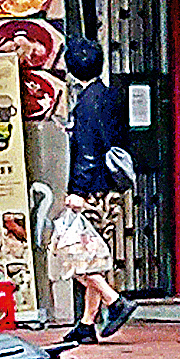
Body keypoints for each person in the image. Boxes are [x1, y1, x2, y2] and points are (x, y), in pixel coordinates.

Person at [58, 39, 137, 342]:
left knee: (72, 254)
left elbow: (88, 151)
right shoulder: (108, 95)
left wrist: (78, 190)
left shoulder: (87, 104)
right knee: (93, 256)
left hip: (92, 189)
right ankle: (87, 324)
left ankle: (114, 301)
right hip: (110, 188)